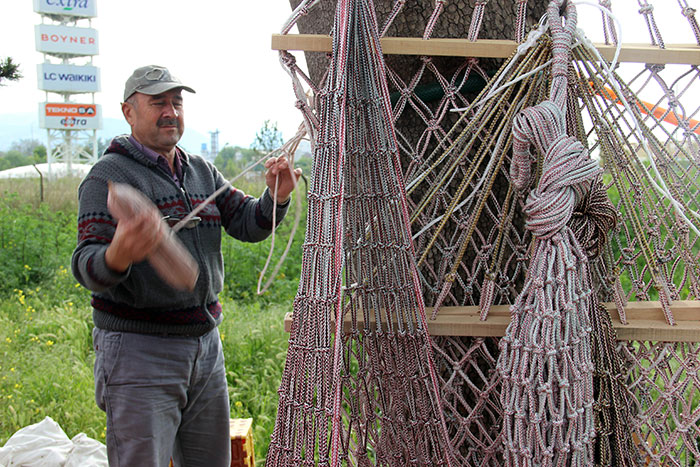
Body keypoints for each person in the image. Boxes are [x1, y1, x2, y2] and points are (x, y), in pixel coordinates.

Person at [71, 65, 301, 466]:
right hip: (139, 353)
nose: (170, 112)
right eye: (157, 102)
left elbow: (249, 223)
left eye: (176, 102)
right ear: (128, 112)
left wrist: (275, 198)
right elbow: (85, 266)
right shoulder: (107, 178)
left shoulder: (200, 170)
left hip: (205, 348)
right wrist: (118, 254)